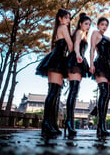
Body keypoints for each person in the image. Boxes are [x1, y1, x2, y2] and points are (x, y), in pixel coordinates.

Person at [36, 9, 73, 138]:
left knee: (54, 91)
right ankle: (47, 123)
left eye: (69, 18)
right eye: (66, 17)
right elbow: (70, 45)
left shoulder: (58, 29)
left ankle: (50, 123)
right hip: (57, 60)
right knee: (54, 91)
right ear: (60, 18)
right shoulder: (63, 28)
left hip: (55, 59)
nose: (68, 20)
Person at [65, 13, 91, 137]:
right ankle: (69, 122)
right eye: (86, 24)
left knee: (74, 91)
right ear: (80, 24)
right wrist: (78, 54)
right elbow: (76, 45)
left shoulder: (82, 33)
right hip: (76, 60)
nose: (88, 26)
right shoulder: (79, 32)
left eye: (89, 25)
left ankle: (69, 121)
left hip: (77, 60)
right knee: (73, 91)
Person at [89, 17, 110, 138]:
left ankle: (102, 124)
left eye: (106, 25)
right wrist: (91, 63)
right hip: (100, 64)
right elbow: (92, 49)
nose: (104, 27)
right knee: (103, 92)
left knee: (108, 95)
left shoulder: (107, 38)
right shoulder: (95, 33)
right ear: (98, 25)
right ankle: (100, 125)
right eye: (102, 24)